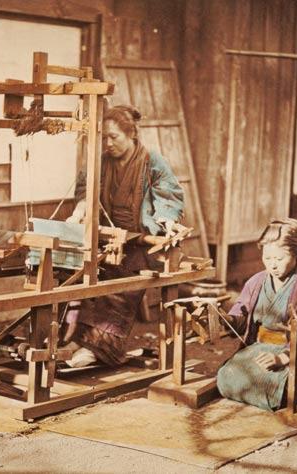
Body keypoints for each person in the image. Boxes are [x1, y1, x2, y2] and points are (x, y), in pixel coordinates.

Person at [62, 104, 185, 367]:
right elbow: (86, 189)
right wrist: (80, 211)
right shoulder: (101, 161)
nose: (108, 143)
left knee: (119, 288)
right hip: (106, 238)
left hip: (141, 243)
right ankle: (78, 338)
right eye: (104, 137)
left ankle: (100, 346)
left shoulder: (152, 161)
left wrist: (165, 218)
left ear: (132, 135)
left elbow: (168, 193)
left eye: (114, 137)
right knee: (82, 279)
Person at [216, 218, 297, 411]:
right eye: (267, 258)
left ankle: (292, 390)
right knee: (226, 374)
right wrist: (225, 319)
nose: (272, 265)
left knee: (270, 382)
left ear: (296, 254)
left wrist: (282, 358)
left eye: (279, 259)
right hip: (258, 349)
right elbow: (241, 318)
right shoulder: (256, 282)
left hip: (294, 356)